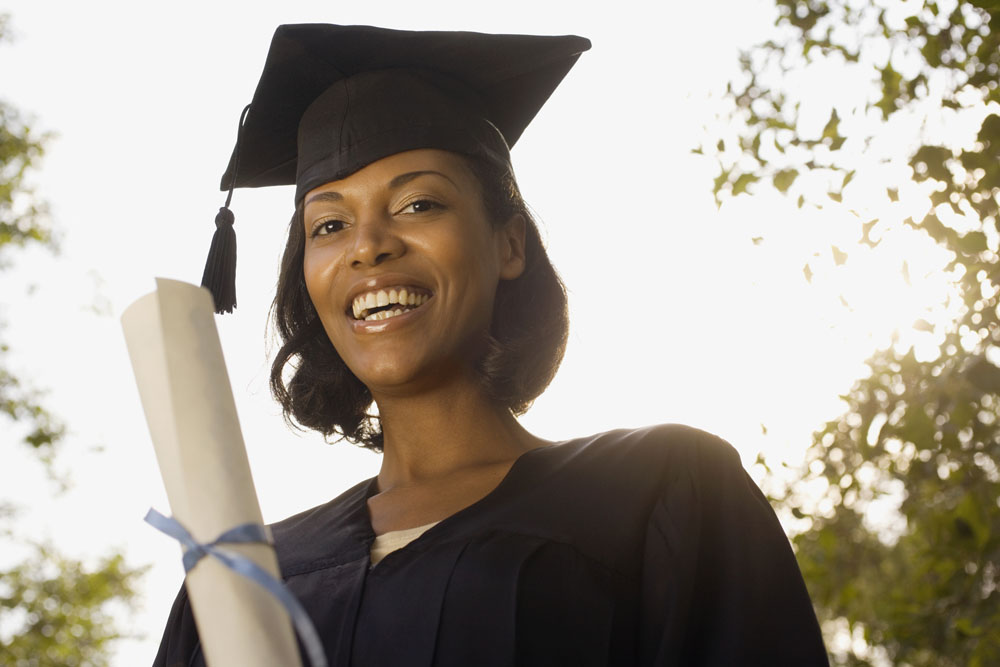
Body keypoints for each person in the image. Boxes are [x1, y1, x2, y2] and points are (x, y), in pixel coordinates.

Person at [154, 23, 830, 667]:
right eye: (328, 224)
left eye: (420, 204)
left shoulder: (658, 492)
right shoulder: (241, 576)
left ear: (509, 243)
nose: (369, 246)